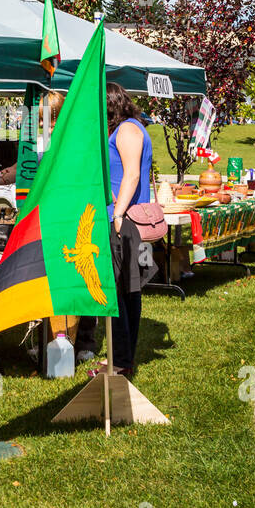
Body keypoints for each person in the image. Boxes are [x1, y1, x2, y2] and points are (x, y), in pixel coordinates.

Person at [101, 82, 152, 379]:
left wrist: (118, 214)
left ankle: (119, 363)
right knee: (127, 292)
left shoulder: (128, 130)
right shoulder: (125, 129)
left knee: (119, 294)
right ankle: (123, 362)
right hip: (123, 218)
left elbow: (131, 174)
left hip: (124, 220)